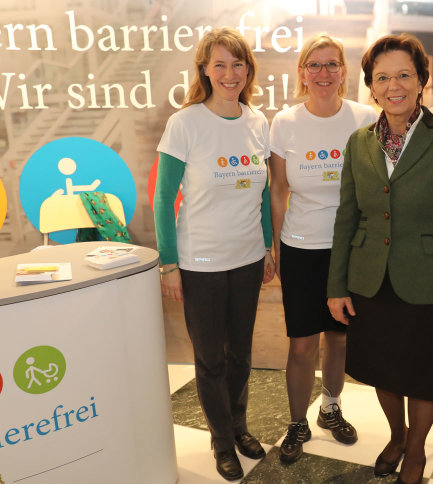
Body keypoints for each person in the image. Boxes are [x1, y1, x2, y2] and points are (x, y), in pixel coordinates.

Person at [327, 34, 433, 484]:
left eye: (403, 75)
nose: (393, 85)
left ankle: (415, 453)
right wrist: (336, 285)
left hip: (430, 281)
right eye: (382, 78)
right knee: (383, 369)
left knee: (422, 375)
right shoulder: (359, 142)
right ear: (371, 87)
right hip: (370, 280)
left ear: (421, 82)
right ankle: (397, 436)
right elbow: (346, 217)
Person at [153, 27, 275, 481]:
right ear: (204, 69)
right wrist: (169, 263)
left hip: (245, 259)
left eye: (237, 64)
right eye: (219, 64)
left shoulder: (257, 121)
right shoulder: (185, 123)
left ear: (248, 70)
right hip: (199, 262)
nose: (230, 73)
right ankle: (221, 440)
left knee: (240, 354)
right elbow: (165, 198)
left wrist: (265, 248)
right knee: (210, 359)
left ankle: (238, 425)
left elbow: (262, 196)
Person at [268, 33, 377, 464]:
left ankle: (331, 408)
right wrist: (274, 249)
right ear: (302, 74)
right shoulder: (285, 122)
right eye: (314, 65)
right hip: (300, 247)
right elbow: (278, 190)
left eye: (332, 64)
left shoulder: (364, 117)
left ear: (344, 72)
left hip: (349, 249)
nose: (324, 73)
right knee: (301, 344)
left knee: (339, 339)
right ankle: (298, 422)